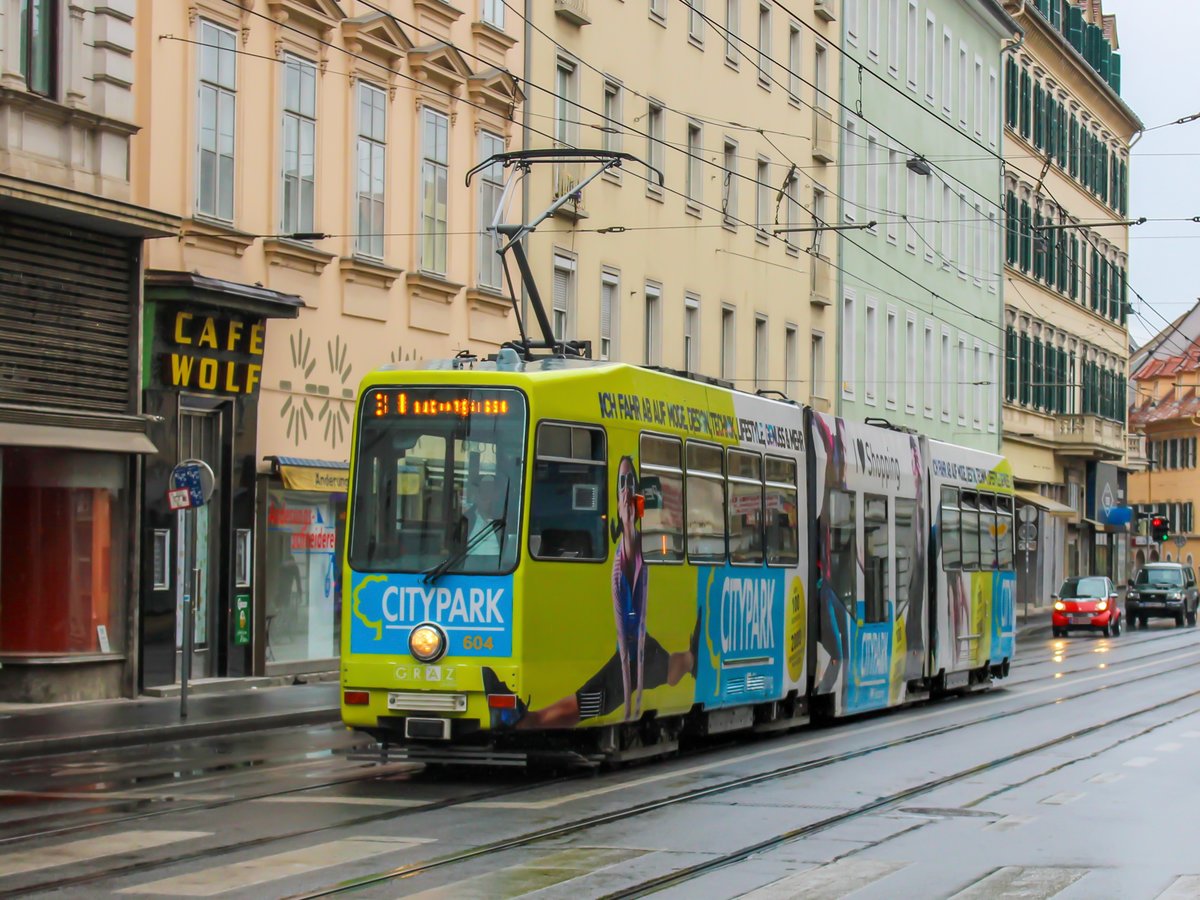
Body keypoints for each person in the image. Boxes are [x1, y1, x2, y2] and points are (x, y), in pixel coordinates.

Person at [484, 455, 698, 729]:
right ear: (616, 500)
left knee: (586, 700)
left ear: (638, 499)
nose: (625, 491)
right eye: (621, 484)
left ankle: (521, 719)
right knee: (663, 669)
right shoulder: (624, 545)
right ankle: (690, 659)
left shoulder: (633, 543)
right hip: (636, 650)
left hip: (634, 655)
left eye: (630, 484)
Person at [461, 476, 503, 557]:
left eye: (489, 492)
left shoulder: (504, 520)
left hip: (499, 563)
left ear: (496, 497)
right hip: (469, 562)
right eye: (483, 492)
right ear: (476, 497)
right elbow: (456, 545)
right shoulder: (467, 519)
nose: (486, 497)